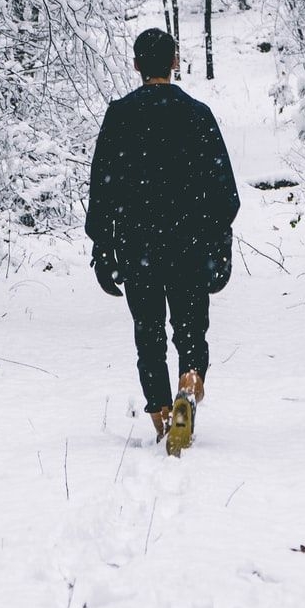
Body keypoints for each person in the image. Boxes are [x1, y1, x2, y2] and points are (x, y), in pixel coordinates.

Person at [85, 26, 240, 455]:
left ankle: (162, 415)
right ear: (175, 62)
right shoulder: (198, 115)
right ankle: (189, 384)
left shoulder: (119, 116)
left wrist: (102, 247)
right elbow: (224, 192)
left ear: (136, 65)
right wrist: (219, 246)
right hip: (188, 245)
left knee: (148, 332)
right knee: (191, 330)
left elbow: (102, 189)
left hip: (139, 248)